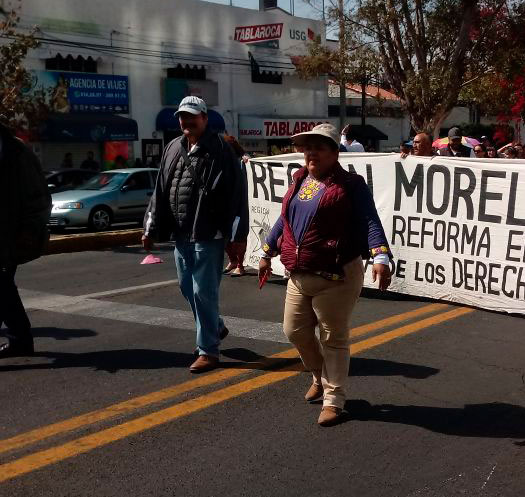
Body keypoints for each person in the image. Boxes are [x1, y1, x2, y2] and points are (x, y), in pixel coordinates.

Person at [257, 123, 392, 426]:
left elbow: (369, 220)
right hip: (299, 272)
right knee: (294, 331)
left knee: (333, 338)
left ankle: (334, 399)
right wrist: (266, 252)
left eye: (318, 147)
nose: (310, 152)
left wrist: (380, 255)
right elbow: (284, 221)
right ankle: (318, 375)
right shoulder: (299, 180)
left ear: (335, 152)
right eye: (307, 147)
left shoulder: (351, 186)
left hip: (337, 274)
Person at [142, 96, 248, 373]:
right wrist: (150, 227)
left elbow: (237, 195)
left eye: (192, 116)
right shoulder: (173, 147)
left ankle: (208, 350)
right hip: (180, 234)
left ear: (205, 118)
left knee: (203, 292)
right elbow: (161, 190)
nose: (186, 121)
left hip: (208, 233)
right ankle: (216, 325)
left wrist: (237, 237)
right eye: (182, 117)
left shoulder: (221, 149)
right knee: (187, 288)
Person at [0, 102, 51, 370]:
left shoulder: (14, 152)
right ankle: (20, 339)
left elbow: (39, 198)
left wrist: (29, 231)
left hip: (5, 233)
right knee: (3, 289)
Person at [222, 135, 250, 278]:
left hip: (240, 204)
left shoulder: (242, 163)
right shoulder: (221, 162)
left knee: (238, 237)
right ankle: (232, 261)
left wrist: (246, 159)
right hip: (225, 204)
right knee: (225, 237)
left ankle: (240, 265)